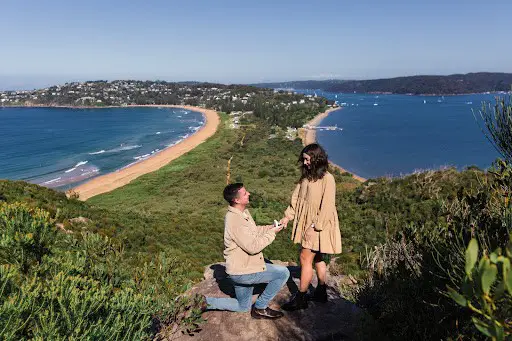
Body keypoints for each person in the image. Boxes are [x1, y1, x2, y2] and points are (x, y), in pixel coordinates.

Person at [204, 183, 290, 319]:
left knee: (243, 306)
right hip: (244, 272)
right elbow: (253, 247)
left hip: (239, 271)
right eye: (245, 193)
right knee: (283, 273)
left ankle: (205, 303)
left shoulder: (242, 213)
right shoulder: (235, 220)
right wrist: (272, 234)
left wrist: (270, 227)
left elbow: (253, 231)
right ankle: (261, 307)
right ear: (236, 200)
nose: (249, 193)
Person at [279, 143, 342, 311]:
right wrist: (287, 217)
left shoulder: (327, 178)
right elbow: (296, 199)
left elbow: (328, 205)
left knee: (305, 258)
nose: (305, 163)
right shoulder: (306, 176)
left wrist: (315, 227)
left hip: (319, 224)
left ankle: (301, 298)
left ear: (316, 158)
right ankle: (321, 292)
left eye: (307, 159)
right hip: (310, 222)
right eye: (304, 159)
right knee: (319, 258)